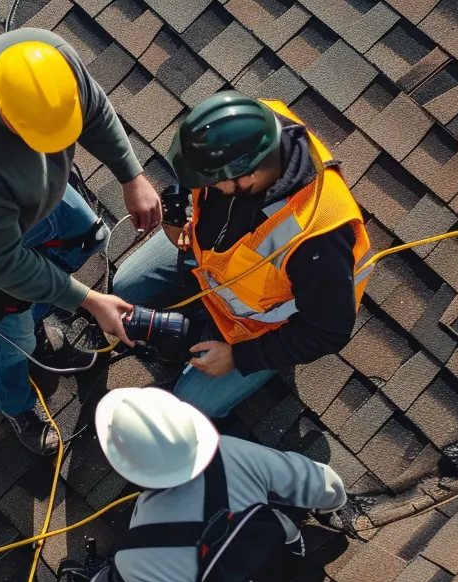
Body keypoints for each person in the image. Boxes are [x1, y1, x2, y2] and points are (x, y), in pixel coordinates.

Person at [0, 28, 163, 455]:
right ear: (9, 119)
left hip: (27, 198)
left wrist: (131, 174)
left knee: (89, 237)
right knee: (9, 333)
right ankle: (14, 403)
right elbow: (0, 263)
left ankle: (34, 313)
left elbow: (96, 111)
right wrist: (88, 300)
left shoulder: (47, 60)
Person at [111, 92, 371, 419]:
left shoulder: (317, 238)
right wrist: (178, 208)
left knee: (190, 407)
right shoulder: (246, 125)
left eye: (212, 182)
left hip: (254, 330)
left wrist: (240, 357)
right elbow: (194, 170)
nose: (206, 186)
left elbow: (327, 331)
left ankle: (257, 365)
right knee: (125, 288)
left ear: (248, 176)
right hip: (210, 260)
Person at [83, 387, 348, 582]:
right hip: (289, 557)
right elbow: (324, 485)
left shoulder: (137, 558)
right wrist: (331, 503)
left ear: (124, 468)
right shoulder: (228, 451)